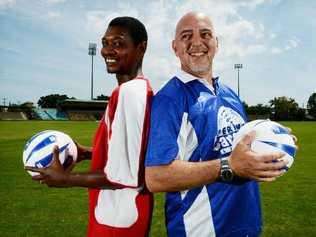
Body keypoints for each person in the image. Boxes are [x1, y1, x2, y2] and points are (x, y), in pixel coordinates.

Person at [145, 12, 289, 237]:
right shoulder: (170, 99)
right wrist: (228, 166)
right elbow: (156, 177)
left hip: (246, 226)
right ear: (175, 47)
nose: (196, 42)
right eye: (186, 36)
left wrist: (274, 143)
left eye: (205, 34)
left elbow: (239, 150)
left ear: (216, 43)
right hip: (201, 230)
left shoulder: (229, 93)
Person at [26, 16, 153, 237]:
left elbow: (125, 177)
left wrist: (66, 180)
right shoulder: (138, 89)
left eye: (118, 44)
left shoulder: (129, 93)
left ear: (141, 49)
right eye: (105, 43)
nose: (107, 51)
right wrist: (89, 152)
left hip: (117, 217)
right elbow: (134, 156)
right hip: (122, 212)